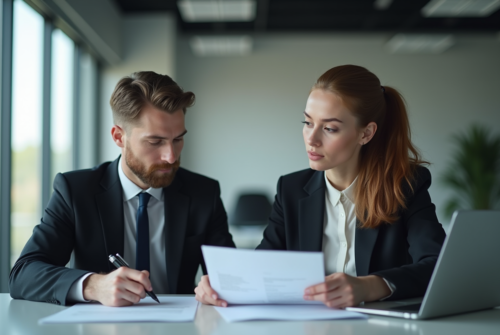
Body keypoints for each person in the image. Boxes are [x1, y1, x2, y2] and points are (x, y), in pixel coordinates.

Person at [195, 65, 446, 308]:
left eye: (329, 128)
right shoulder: (291, 189)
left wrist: (368, 286)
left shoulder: (405, 185)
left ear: (366, 133)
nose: (311, 139)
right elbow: (264, 266)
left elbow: (438, 264)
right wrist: (220, 284)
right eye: (307, 123)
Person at [9, 71, 235, 307]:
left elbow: (231, 274)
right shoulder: (75, 191)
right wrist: (93, 285)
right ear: (119, 137)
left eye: (178, 139)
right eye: (155, 142)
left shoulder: (204, 193)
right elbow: (23, 274)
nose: (170, 157)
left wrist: (219, 285)